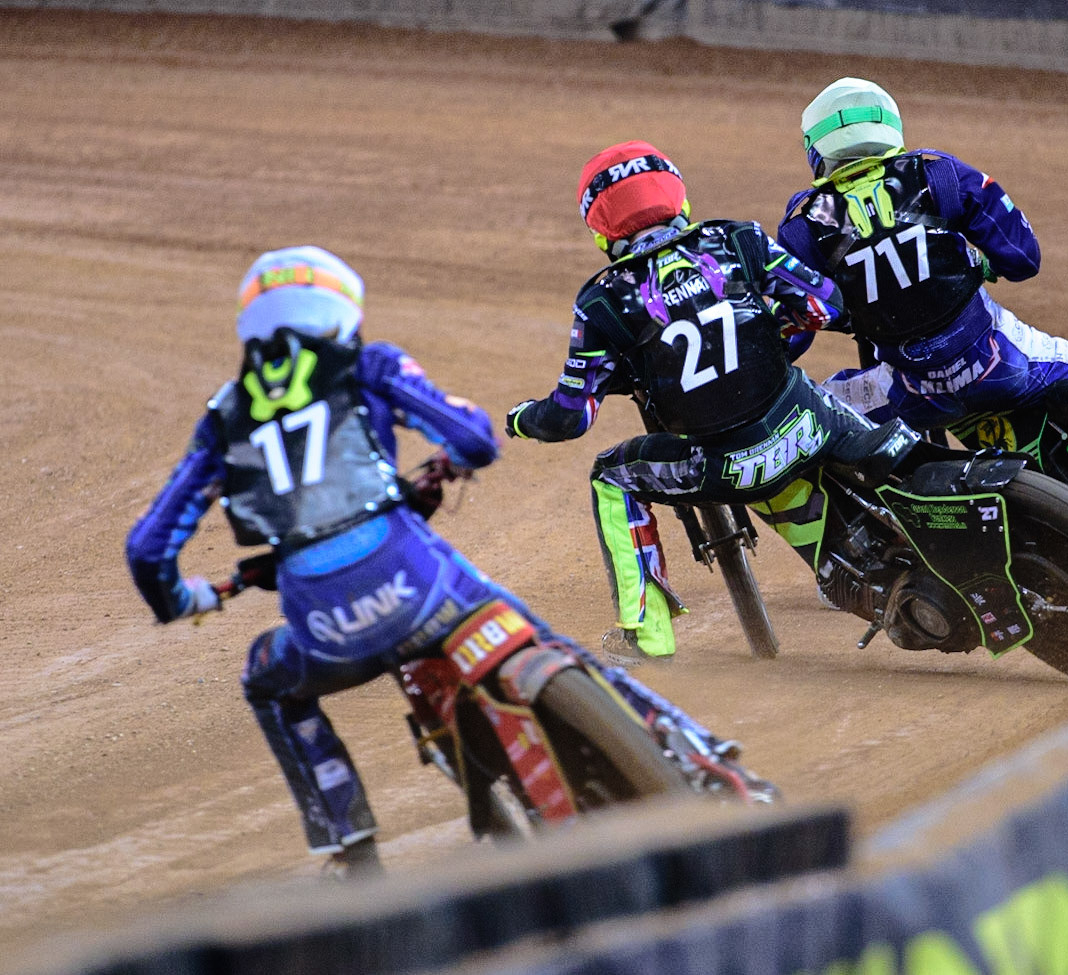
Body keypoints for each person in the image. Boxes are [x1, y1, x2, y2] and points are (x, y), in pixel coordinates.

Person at [124, 246, 553, 876]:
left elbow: (147, 549)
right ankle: (680, 745)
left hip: (326, 633)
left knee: (267, 681)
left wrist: (182, 601)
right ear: (338, 311)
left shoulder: (222, 420)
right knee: (535, 636)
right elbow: (473, 440)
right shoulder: (367, 364)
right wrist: (461, 452)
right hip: (425, 588)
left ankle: (352, 849)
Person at [504, 140, 890, 664]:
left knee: (610, 476)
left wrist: (523, 420)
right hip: (805, 422)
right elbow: (825, 304)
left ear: (601, 231)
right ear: (678, 199)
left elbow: (570, 418)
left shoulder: (603, 299)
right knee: (872, 428)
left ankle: (648, 636)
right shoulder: (738, 237)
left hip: (719, 465)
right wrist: (767, 334)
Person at [776, 77, 1068, 454]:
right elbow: (1023, 259)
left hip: (910, 396)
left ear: (816, 149)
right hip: (1002, 365)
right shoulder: (941, 175)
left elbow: (790, 335)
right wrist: (982, 266)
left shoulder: (801, 230)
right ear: (888, 125)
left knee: (806, 422)